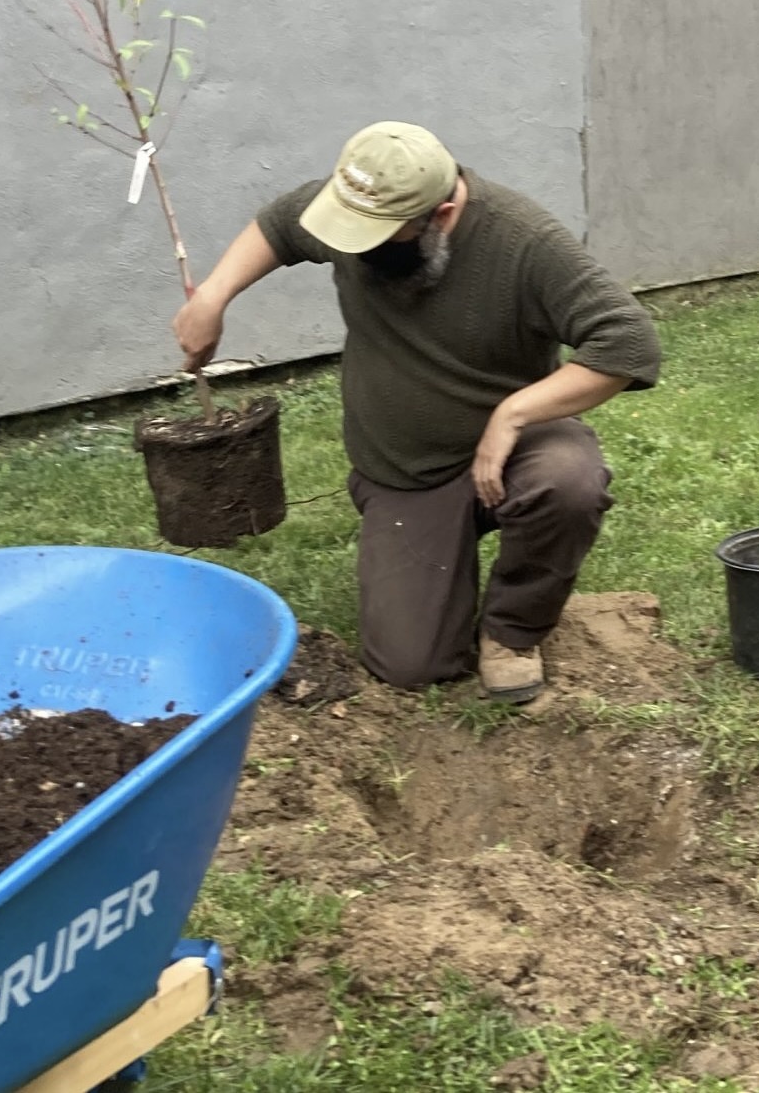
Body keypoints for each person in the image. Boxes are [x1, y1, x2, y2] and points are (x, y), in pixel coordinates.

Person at [172, 122, 660, 703]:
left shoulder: (523, 241)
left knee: (568, 482)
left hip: (514, 453)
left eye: (381, 237)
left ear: (443, 215)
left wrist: (513, 414)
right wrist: (212, 297)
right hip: (405, 471)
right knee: (411, 664)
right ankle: (438, 579)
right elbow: (279, 226)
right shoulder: (354, 210)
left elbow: (628, 342)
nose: (355, 247)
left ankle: (512, 632)